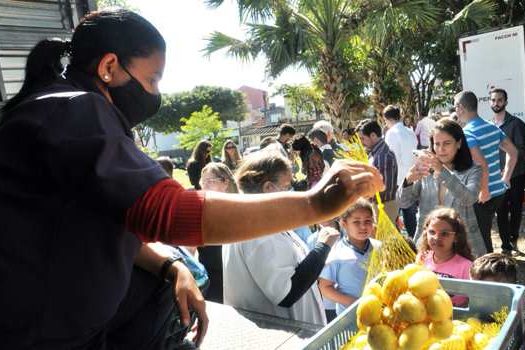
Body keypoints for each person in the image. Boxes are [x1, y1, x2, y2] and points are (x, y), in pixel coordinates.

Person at [0, 9, 384, 349]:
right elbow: (168, 213)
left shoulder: (62, 110)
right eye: (152, 80)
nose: (155, 94)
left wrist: (170, 266)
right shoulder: (76, 111)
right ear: (109, 67)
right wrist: (315, 203)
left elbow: (102, 220)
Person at [222, 151, 341, 325]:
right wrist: (323, 246)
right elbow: (286, 294)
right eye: (286, 187)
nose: (290, 193)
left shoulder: (261, 220)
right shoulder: (257, 230)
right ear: (269, 188)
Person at [398, 118, 485, 256]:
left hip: (462, 245)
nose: (441, 149)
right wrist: (407, 181)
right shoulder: (425, 167)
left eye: (447, 143)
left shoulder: (473, 170)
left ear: (459, 143)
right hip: (429, 244)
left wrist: (441, 171)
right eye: (436, 144)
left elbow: (469, 198)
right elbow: (404, 202)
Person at [454, 91, 518, 253]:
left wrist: (484, 190)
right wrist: (505, 178)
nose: (455, 112)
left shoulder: (468, 133)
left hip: (483, 195)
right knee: (485, 235)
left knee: (481, 240)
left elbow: (481, 162)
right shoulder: (492, 127)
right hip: (498, 192)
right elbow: (513, 152)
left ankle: (489, 274)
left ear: (460, 108)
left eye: (455, 107)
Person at [318, 199, 380, 317]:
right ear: (343, 223)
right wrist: (354, 303)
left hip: (379, 311)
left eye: (368, 221)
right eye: (356, 222)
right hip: (351, 316)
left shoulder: (379, 247)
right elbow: (324, 287)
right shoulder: (336, 254)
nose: (363, 226)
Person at [197, 163, 238, 303]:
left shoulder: (239, 209)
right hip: (210, 281)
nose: (205, 186)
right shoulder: (200, 210)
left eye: (210, 181)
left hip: (233, 279)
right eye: (203, 181)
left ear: (225, 183)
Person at [416, 208, 474, 306]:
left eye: (444, 234)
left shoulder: (466, 267)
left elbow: (473, 299)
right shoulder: (422, 258)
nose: (437, 238)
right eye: (432, 232)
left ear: (456, 237)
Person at [491, 88, 525, 254]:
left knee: (516, 209)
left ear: (505, 102)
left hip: (516, 176)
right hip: (496, 177)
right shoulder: (489, 126)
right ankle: (505, 245)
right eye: (493, 100)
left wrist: (508, 169)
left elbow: (521, 151)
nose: (496, 103)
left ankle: (513, 238)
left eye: (499, 100)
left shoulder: (516, 124)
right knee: (501, 210)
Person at [383, 105, 419, 238]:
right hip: (413, 177)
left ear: (386, 119)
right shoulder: (410, 131)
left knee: (396, 216)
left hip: (398, 180)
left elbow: (390, 159)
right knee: (411, 215)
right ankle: (414, 242)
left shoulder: (391, 133)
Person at [356, 119, 398, 224]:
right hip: (379, 204)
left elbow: (383, 188)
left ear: (373, 135)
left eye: (363, 138)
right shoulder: (376, 153)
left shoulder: (382, 156)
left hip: (383, 206)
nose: (362, 142)